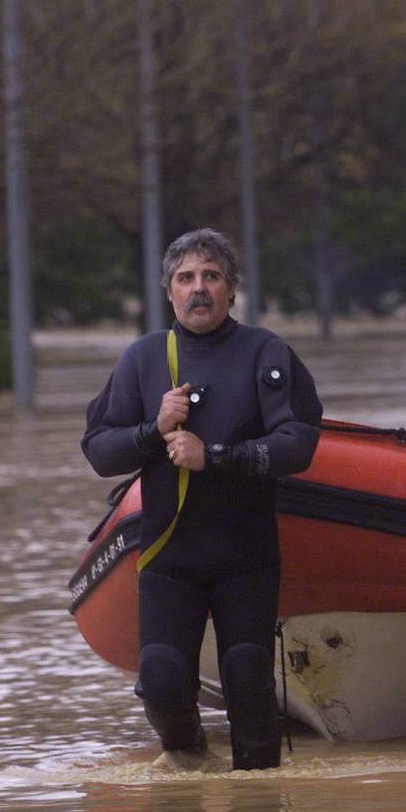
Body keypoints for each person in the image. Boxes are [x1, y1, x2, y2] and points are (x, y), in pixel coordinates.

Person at [81, 228, 323, 771]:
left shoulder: (266, 351)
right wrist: (152, 429)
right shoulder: (144, 359)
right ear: (168, 291)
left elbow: (298, 442)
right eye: (186, 278)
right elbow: (99, 451)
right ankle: (190, 770)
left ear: (232, 287)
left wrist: (212, 455)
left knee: (247, 678)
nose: (199, 289)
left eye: (211, 276)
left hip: (247, 556)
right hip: (170, 557)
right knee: (163, 682)